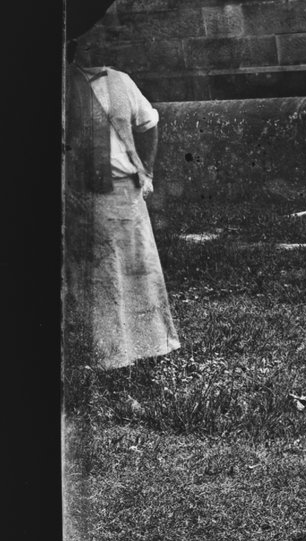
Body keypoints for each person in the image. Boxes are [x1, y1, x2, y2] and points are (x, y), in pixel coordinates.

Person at [63, 38, 180, 387]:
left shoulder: (121, 81)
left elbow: (149, 123)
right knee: (103, 277)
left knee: (141, 268)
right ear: (72, 52)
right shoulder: (64, 87)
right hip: (87, 196)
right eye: (82, 47)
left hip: (127, 191)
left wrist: (148, 171)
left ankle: (153, 345)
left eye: (96, 46)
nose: (91, 52)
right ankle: (110, 356)